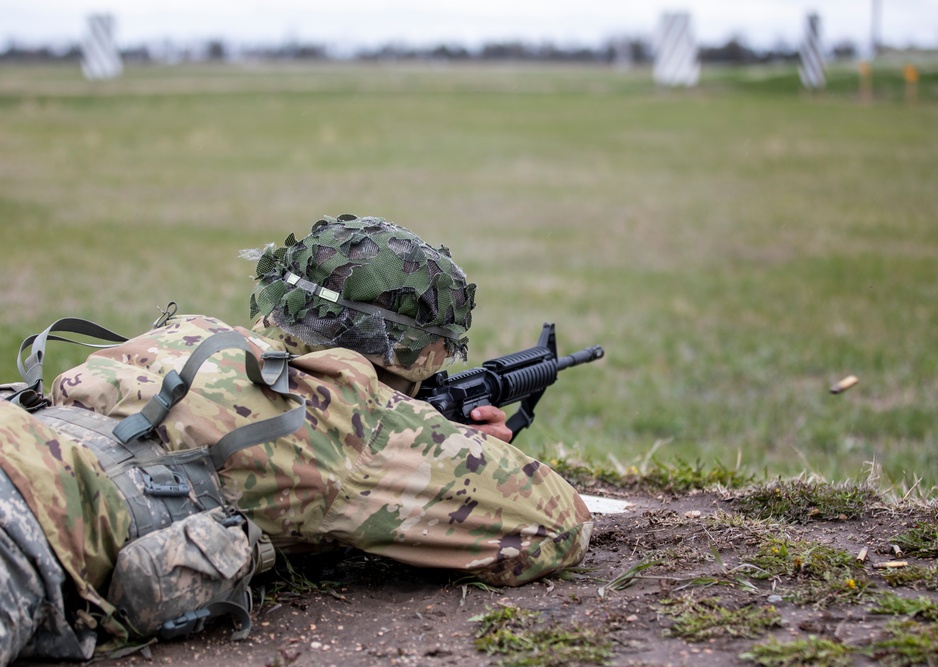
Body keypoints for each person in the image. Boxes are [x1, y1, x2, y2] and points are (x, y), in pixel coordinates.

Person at [0, 214, 593, 665]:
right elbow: (556, 524)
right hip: (30, 526)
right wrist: (458, 445)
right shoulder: (354, 417)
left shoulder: (191, 334)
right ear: (413, 353)